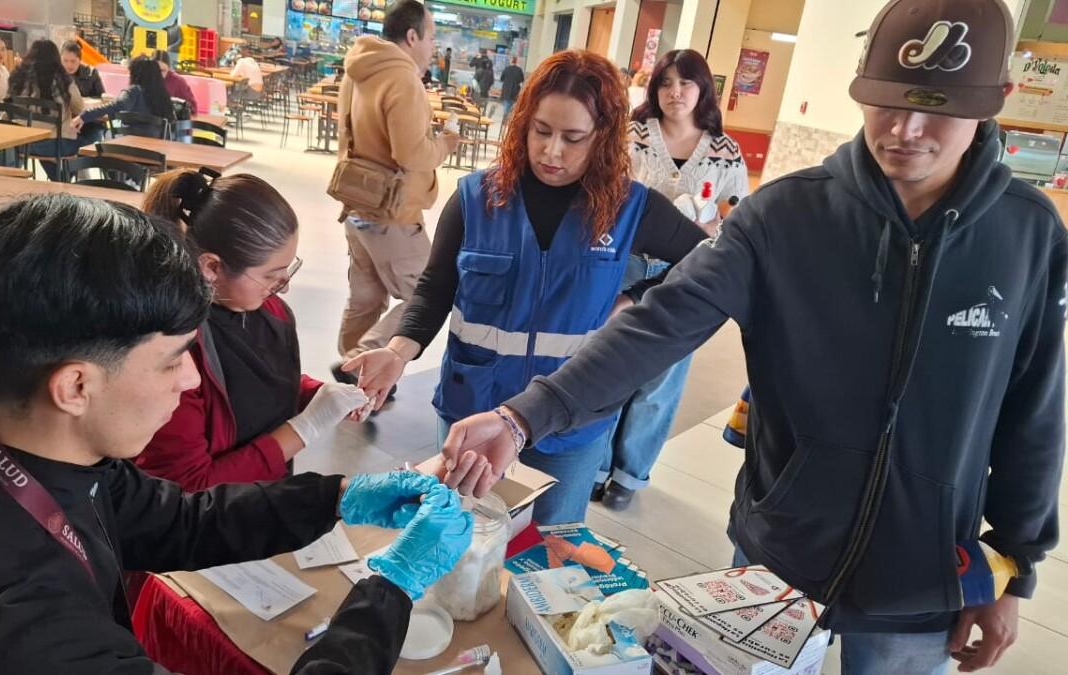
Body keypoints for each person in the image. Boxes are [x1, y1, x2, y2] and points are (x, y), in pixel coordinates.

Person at [439, 1, 1065, 673]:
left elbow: (1033, 413)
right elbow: (660, 323)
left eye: (937, 107)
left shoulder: (1027, 236)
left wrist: (1015, 565)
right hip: (780, 558)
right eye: (886, 102)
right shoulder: (785, 217)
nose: (905, 130)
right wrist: (524, 414)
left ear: (995, 100)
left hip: (925, 580)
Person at [0, 192, 473, 673]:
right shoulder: (22, 629)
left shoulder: (2, 429)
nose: (190, 380)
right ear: (76, 386)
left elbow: (179, 518)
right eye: (172, 359)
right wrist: (389, 587)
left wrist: (336, 497)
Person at [345, 50, 706, 525]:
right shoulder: (477, 198)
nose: (552, 152)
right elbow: (435, 287)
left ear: (603, 137)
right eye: (542, 131)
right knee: (458, 537)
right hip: (472, 410)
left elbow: (705, 260)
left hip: (569, 421)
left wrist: (636, 299)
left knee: (551, 551)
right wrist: (398, 350)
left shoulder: (629, 208)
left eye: (573, 138)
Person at [139, 169, 372, 490]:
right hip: (210, 523)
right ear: (212, 267)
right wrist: (305, 427)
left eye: (289, 268)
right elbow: (188, 489)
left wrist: (317, 395)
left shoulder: (270, 312)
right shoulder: (174, 353)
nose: (283, 287)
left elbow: (262, 384)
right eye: (270, 275)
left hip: (264, 501)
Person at [596, 49, 750, 511]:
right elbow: (604, 193)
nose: (675, 92)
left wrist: (712, 230)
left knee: (661, 379)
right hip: (623, 265)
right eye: (665, 83)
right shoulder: (631, 136)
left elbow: (739, 215)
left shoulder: (724, 150)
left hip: (686, 273)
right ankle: (595, 463)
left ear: (703, 89)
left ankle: (629, 473)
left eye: (686, 83)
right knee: (605, 363)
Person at [329, 0, 458, 388]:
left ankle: (355, 374)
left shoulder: (359, 68)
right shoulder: (402, 78)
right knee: (430, 288)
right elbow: (412, 153)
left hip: (357, 200)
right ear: (412, 36)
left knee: (366, 296)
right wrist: (445, 142)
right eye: (431, 36)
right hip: (392, 211)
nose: (433, 45)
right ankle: (359, 361)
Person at [7, 39, 85, 181]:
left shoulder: (17, 77)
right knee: (88, 140)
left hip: (22, 144)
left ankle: (60, 181)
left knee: (47, 138)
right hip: (56, 145)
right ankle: (64, 180)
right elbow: (79, 108)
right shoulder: (62, 79)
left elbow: (8, 105)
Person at [75, 56, 178, 140]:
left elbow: (117, 105)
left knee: (108, 132)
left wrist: (84, 116)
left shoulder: (134, 91)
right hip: (158, 153)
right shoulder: (164, 95)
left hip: (131, 148)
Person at [153, 49, 198, 116]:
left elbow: (193, 109)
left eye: (163, 70)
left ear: (168, 68)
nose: (159, 74)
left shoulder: (178, 82)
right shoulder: (145, 79)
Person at [497, 56, 524, 126]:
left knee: (506, 106)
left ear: (511, 61)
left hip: (506, 90)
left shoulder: (507, 69)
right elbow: (522, 80)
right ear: (516, 61)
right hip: (515, 91)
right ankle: (510, 122)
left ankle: (505, 121)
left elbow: (502, 78)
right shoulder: (519, 70)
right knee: (512, 107)